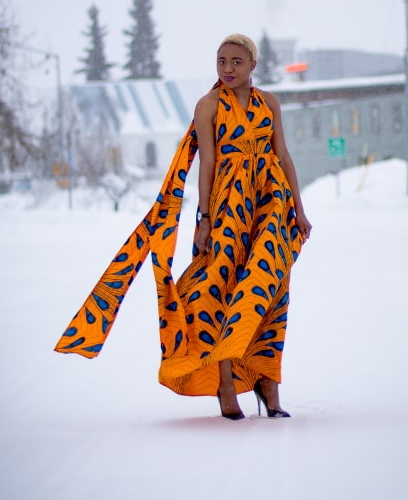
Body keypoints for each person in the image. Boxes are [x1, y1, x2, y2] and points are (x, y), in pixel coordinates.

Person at [55, 34, 312, 420]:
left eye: (237, 62)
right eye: (222, 61)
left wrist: (300, 210)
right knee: (220, 293)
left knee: (271, 291)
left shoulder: (269, 104)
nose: (228, 69)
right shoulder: (207, 105)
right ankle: (226, 384)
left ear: (253, 65)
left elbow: (284, 157)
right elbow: (206, 165)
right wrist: (205, 219)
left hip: (271, 204)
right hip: (228, 206)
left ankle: (267, 380)